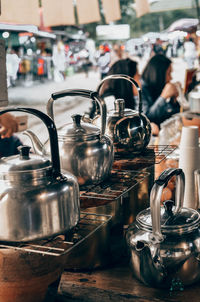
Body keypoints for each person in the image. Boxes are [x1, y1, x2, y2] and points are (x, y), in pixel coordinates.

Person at [141, 54, 180, 132]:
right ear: (159, 74)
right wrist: (163, 97)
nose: (171, 78)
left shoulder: (158, 86)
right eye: (169, 74)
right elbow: (147, 119)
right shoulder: (141, 89)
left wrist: (173, 100)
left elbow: (169, 115)